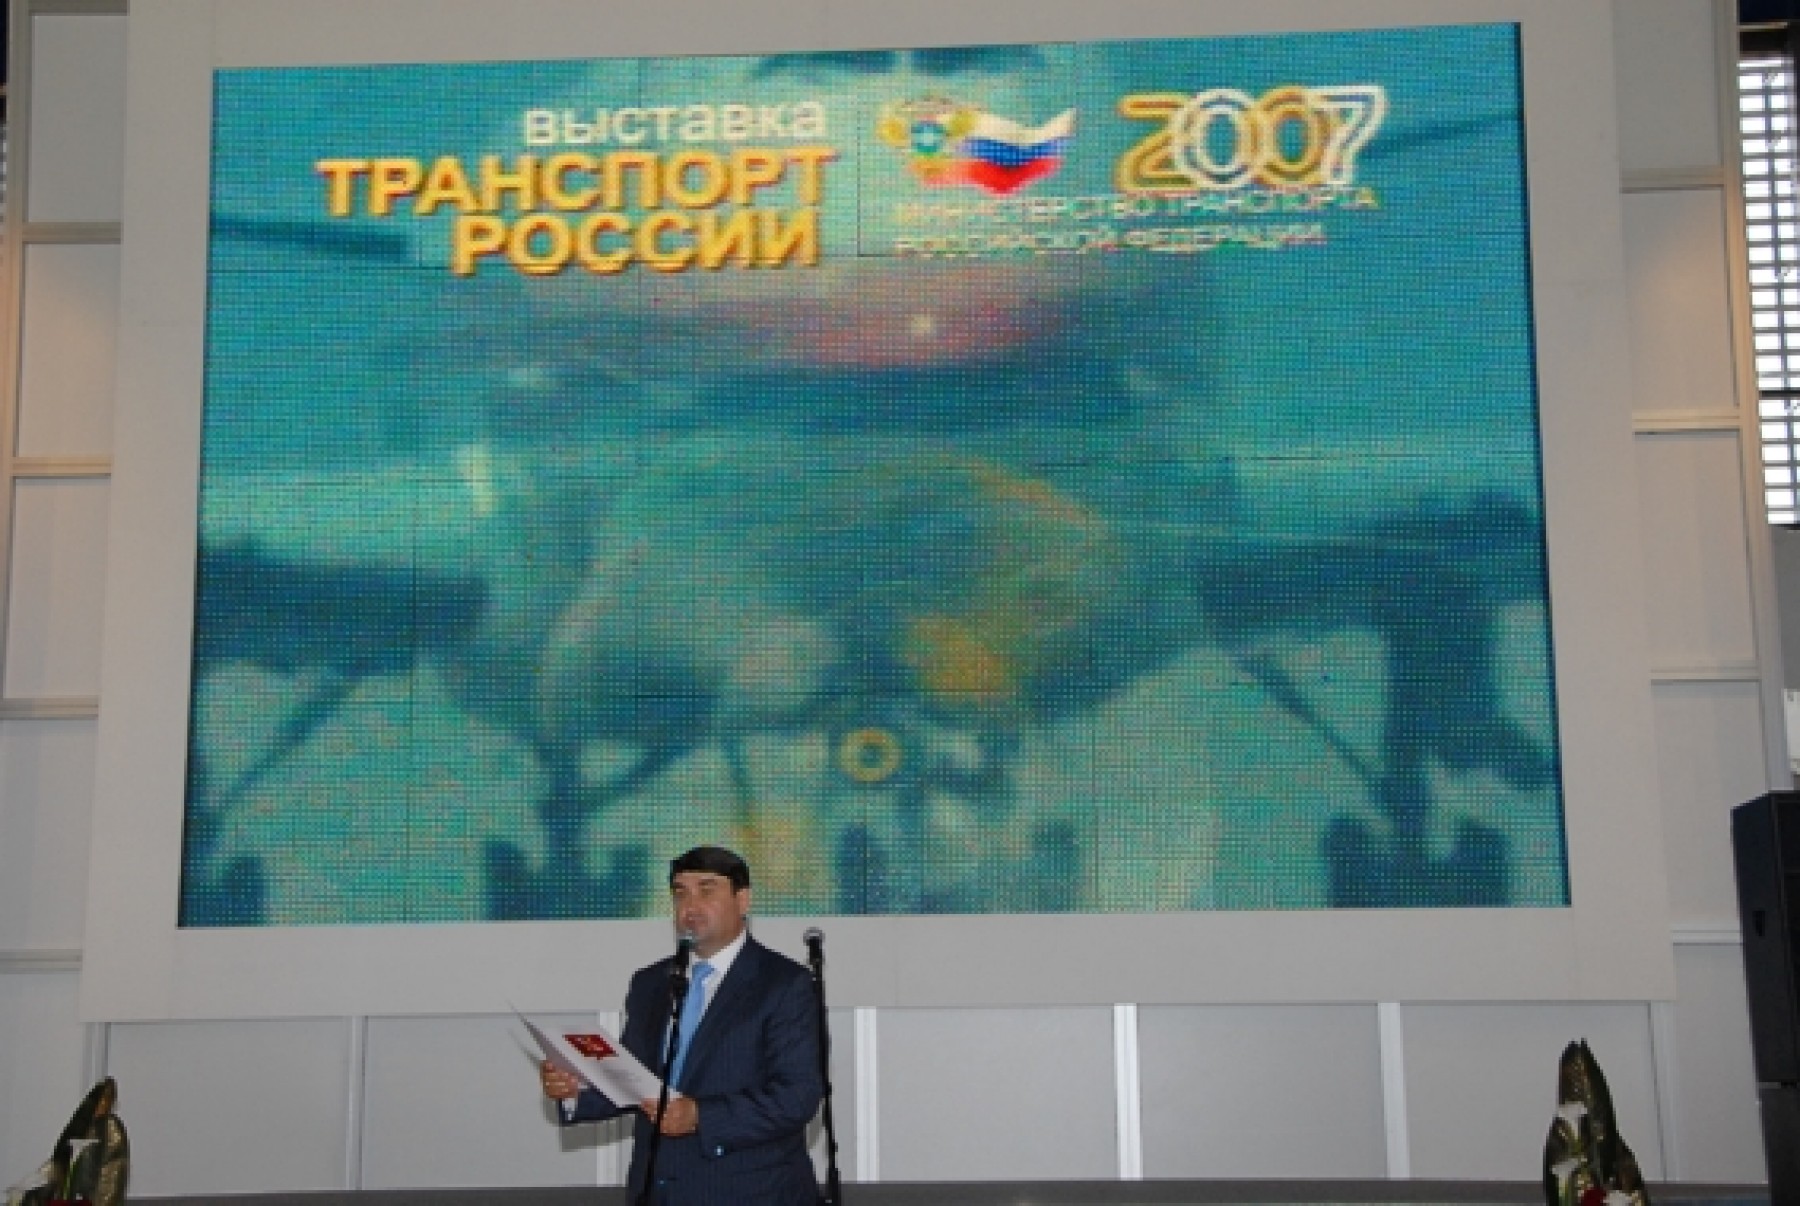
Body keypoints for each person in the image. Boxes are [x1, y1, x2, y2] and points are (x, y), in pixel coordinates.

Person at [540, 846, 822, 1205]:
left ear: (742, 900)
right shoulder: (650, 983)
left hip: (749, 1191)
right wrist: (574, 1090)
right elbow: (634, 1079)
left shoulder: (784, 983)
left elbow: (797, 1096)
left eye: (706, 890)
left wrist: (700, 1116)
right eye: (680, 893)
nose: (690, 906)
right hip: (657, 1189)